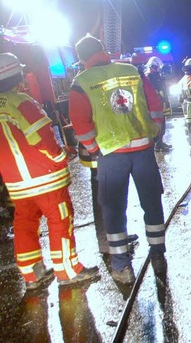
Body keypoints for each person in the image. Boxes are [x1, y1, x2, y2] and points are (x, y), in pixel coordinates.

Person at [69, 34, 167, 284]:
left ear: (81, 58)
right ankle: (158, 257)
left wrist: (94, 149)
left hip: (111, 155)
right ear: (102, 49)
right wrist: (155, 132)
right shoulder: (132, 70)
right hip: (143, 149)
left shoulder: (81, 82)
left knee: (113, 209)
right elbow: (154, 104)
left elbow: (80, 124)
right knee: (152, 203)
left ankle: (122, 267)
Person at [0, 52, 99, 291]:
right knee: (59, 220)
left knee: (24, 222)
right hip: (44, 177)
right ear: (18, 76)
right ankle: (67, 270)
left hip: (15, 182)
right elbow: (43, 138)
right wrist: (59, 156)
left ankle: (32, 274)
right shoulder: (22, 102)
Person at [144, 56, 173, 152]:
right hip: (155, 105)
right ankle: (156, 144)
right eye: (158, 67)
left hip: (160, 103)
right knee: (157, 124)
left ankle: (160, 143)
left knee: (162, 124)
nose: (159, 69)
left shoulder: (156, 75)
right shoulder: (149, 76)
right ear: (153, 66)